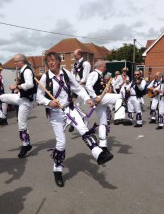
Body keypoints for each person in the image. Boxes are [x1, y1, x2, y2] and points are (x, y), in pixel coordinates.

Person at [36, 52, 112, 188]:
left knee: (83, 129)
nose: (51, 63)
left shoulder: (66, 73)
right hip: (55, 113)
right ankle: (57, 170)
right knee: (61, 143)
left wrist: (87, 98)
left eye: (53, 60)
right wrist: (49, 103)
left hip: (70, 108)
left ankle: (98, 154)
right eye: (48, 61)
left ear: (58, 61)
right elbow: (39, 97)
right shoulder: (45, 78)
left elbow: (77, 88)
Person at [0, 54, 36, 158]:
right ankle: (2, 117)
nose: (14, 63)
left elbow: (30, 85)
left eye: (15, 61)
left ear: (21, 61)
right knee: (2, 97)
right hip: (21, 97)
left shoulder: (27, 70)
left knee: (22, 125)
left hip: (26, 101)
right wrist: (17, 89)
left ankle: (26, 145)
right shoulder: (23, 70)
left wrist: (17, 86)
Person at [85, 60, 121, 154]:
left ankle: (102, 145)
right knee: (120, 97)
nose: (105, 68)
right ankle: (119, 117)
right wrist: (94, 96)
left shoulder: (100, 75)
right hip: (98, 98)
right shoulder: (94, 73)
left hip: (100, 99)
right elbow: (88, 85)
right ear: (101, 66)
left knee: (103, 122)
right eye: (104, 66)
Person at [68, 49, 92, 132]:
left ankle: (81, 121)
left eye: (74, 55)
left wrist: (77, 85)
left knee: (77, 106)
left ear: (79, 54)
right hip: (76, 87)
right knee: (73, 106)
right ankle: (77, 122)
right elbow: (71, 75)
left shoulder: (86, 64)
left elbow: (85, 78)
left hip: (82, 87)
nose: (73, 57)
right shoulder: (75, 64)